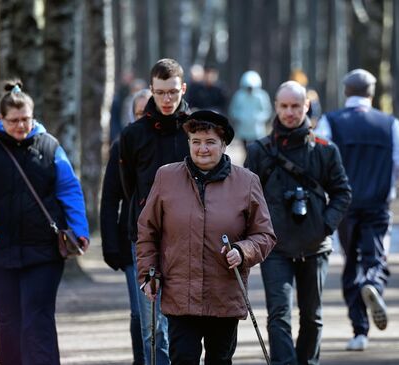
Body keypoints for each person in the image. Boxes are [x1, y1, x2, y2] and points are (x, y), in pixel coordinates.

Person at [0, 80, 89, 365]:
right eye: (14, 121)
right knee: (9, 321)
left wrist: (80, 229)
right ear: (1, 120)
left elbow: (69, 188)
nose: (21, 126)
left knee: (38, 317)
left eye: (26, 119)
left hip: (43, 250)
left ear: (34, 116)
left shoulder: (50, 146)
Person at [136, 110, 276, 364]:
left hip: (224, 295)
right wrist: (148, 272)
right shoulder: (166, 177)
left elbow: (265, 235)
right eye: (196, 141)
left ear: (223, 145)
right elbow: (147, 230)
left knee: (220, 360)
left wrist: (243, 250)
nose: (202, 148)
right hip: (180, 295)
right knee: (182, 359)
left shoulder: (247, 182)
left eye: (210, 142)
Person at [245, 81, 352, 365]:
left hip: (315, 246)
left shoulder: (325, 150)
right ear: (276, 107)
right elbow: (245, 198)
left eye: (295, 106)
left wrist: (325, 225)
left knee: (312, 316)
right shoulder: (259, 151)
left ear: (306, 106)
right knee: (279, 314)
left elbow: (343, 192)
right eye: (284, 106)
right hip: (274, 248)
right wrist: (255, 236)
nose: (290, 112)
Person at [315, 69, 399, 351]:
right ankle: (374, 283)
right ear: (372, 93)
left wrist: (329, 187)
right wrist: (389, 179)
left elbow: (319, 157)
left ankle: (359, 330)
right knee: (376, 255)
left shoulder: (331, 121)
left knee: (351, 260)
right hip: (378, 203)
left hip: (344, 204)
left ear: (346, 91)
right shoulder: (388, 123)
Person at [120, 58, 191, 365]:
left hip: (189, 239)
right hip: (146, 239)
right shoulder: (133, 135)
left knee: (187, 325)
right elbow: (126, 186)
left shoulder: (195, 130)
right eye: (160, 92)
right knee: (153, 329)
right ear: (150, 90)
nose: (167, 99)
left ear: (183, 89)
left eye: (173, 92)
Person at [100, 88, 151, 364]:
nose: (144, 118)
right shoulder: (122, 146)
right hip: (130, 236)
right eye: (140, 113)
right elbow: (110, 198)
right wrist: (110, 245)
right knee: (138, 312)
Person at [229, 70, 273, 149]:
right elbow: (233, 110)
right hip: (243, 130)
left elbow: (267, 111)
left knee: (257, 150)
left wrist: (258, 118)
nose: (250, 89)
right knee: (246, 150)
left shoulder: (261, 96)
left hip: (257, 130)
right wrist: (240, 117)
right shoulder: (239, 96)